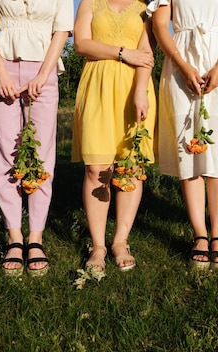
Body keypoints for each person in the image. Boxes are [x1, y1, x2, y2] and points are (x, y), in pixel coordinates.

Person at [0, 0, 74, 277]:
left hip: (44, 69)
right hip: (2, 67)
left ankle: (36, 238)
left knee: (41, 158)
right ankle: (14, 237)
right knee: (6, 153)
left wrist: (43, 75)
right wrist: (0, 71)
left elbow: (62, 31)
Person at [148, 0, 218, 272]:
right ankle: (199, 234)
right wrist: (181, 65)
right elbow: (159, 25)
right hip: (181, 64)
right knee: (188, 150)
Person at [72, 0, 156, 275]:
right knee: (97, 168)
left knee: (131, 166)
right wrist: (122, 53)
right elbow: (82, 44)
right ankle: (98, 246)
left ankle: (121, 241)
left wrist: (141, 91)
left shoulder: (146, 7)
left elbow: (146, 53)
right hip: (97, 84)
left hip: (134, 89)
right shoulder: (90, 3)